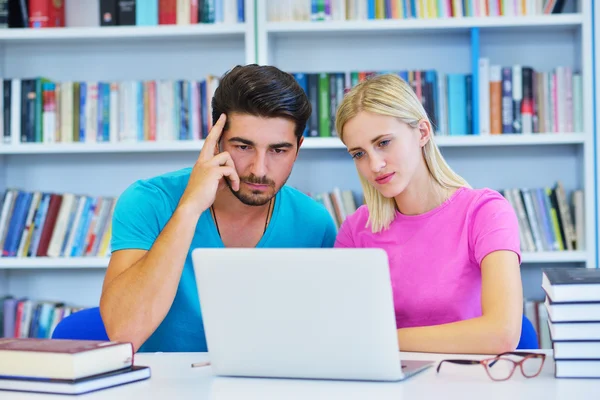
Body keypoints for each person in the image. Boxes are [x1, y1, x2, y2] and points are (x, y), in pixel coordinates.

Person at [99, 64, 338, 353]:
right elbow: (124, 331)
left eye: (278, 150)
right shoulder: (148, 201)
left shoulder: (315, 224)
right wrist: (189, 208)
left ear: (298, 148)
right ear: (216, 141)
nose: (259, 169)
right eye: (243, 147)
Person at [333, 73, 523, 355]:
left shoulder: (485, 213)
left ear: (422, 132)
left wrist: (383, 340)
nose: (375, 164)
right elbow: (340, 331)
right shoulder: (356, 230)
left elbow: (502, 333)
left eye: (383, 142)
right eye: (358, 154)